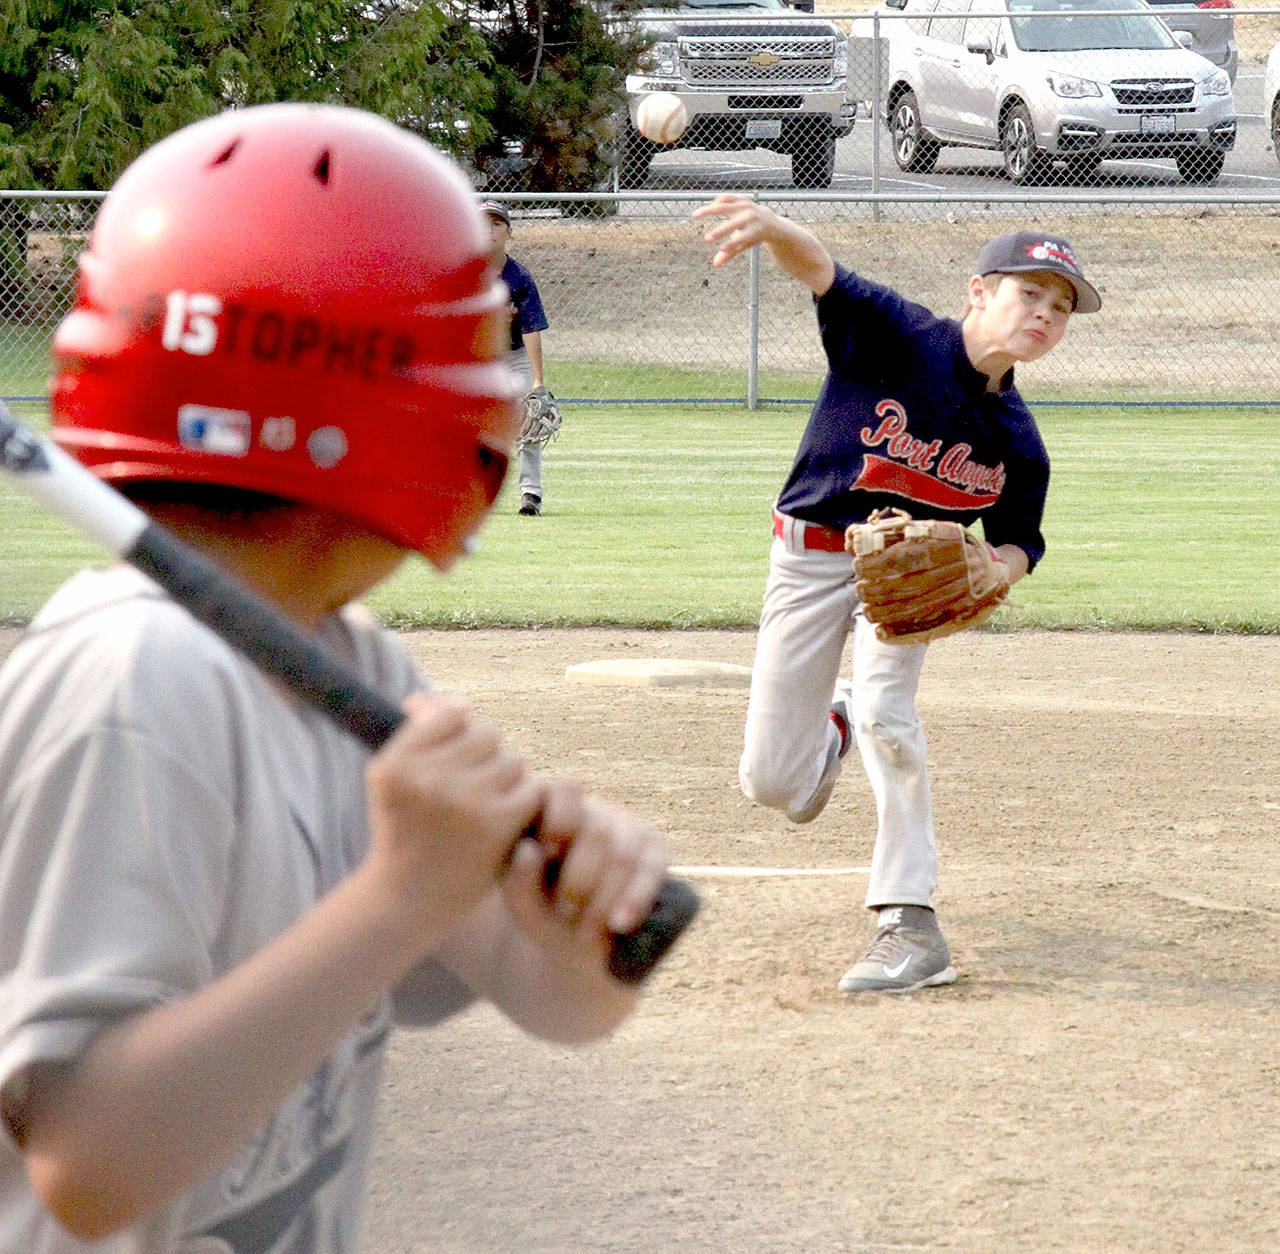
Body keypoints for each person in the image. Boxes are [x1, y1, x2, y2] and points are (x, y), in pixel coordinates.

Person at [0, 103, 670, 1250]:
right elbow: (86, 1160)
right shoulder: (136, 680)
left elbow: (546, 999)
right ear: (365, 405)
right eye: (472, 355)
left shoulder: (342, 656)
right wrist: (400, 891)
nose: (498, 391)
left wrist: (581, 930)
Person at [692, 193, 1099, 995]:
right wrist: (772, 227)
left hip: (902, 588)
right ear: (979, 292)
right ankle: (828, 727)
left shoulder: (1018, 441)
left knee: (891, 714)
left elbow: (1023, 538)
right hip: (809, 558)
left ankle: (909, 924)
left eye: (1060, 309)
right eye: (1030, 294)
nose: (1045, 316)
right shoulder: (900, 334)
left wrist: (996, 569)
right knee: (775, 784)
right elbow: (821, 270)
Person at [481, 200, 552, 517]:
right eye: (484, 224)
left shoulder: (520, 278)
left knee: (528, 420)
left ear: (509, 232)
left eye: (497, 224)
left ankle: (531, 495)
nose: (490, 231)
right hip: (477, 360)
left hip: (514, 355)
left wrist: (537, 382)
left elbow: (531, 329)